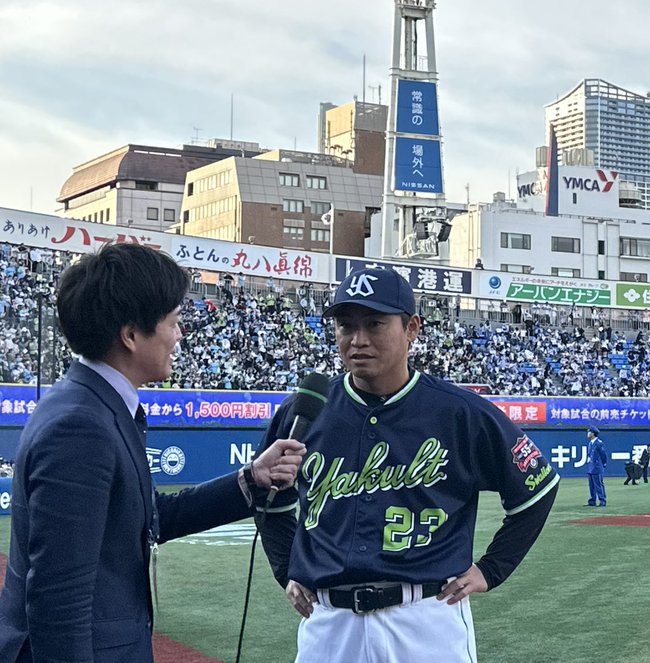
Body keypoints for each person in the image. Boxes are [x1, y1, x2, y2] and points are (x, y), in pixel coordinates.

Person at [0, 243, 305, 663]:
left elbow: (148, 519)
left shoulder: (92, 404)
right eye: (173, 322)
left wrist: (251, 479)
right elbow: (59, 598)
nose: (179, 335)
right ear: (130, 335)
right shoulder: (80, 425)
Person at [259, 267, 559, 663]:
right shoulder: (305, 411)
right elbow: (268, 500)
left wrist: (492, 568)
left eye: (375, 324)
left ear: (412, 328)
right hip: (329, 621)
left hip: (426, 617)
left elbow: (537, 487)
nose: (358, 339)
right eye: (346, 325)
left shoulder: (460, 412)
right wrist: (287, 568)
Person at [586, 426, 608, 507]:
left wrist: (604, 463)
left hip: (597, 466)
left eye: (589, 432)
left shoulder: (599, 443)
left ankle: (602, 500)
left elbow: (603, 455)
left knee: (598, 484)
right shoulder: (590, 443)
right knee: (591, 485)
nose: (588, 434)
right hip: (591, 467)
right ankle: (592, 500)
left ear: (593, 433)